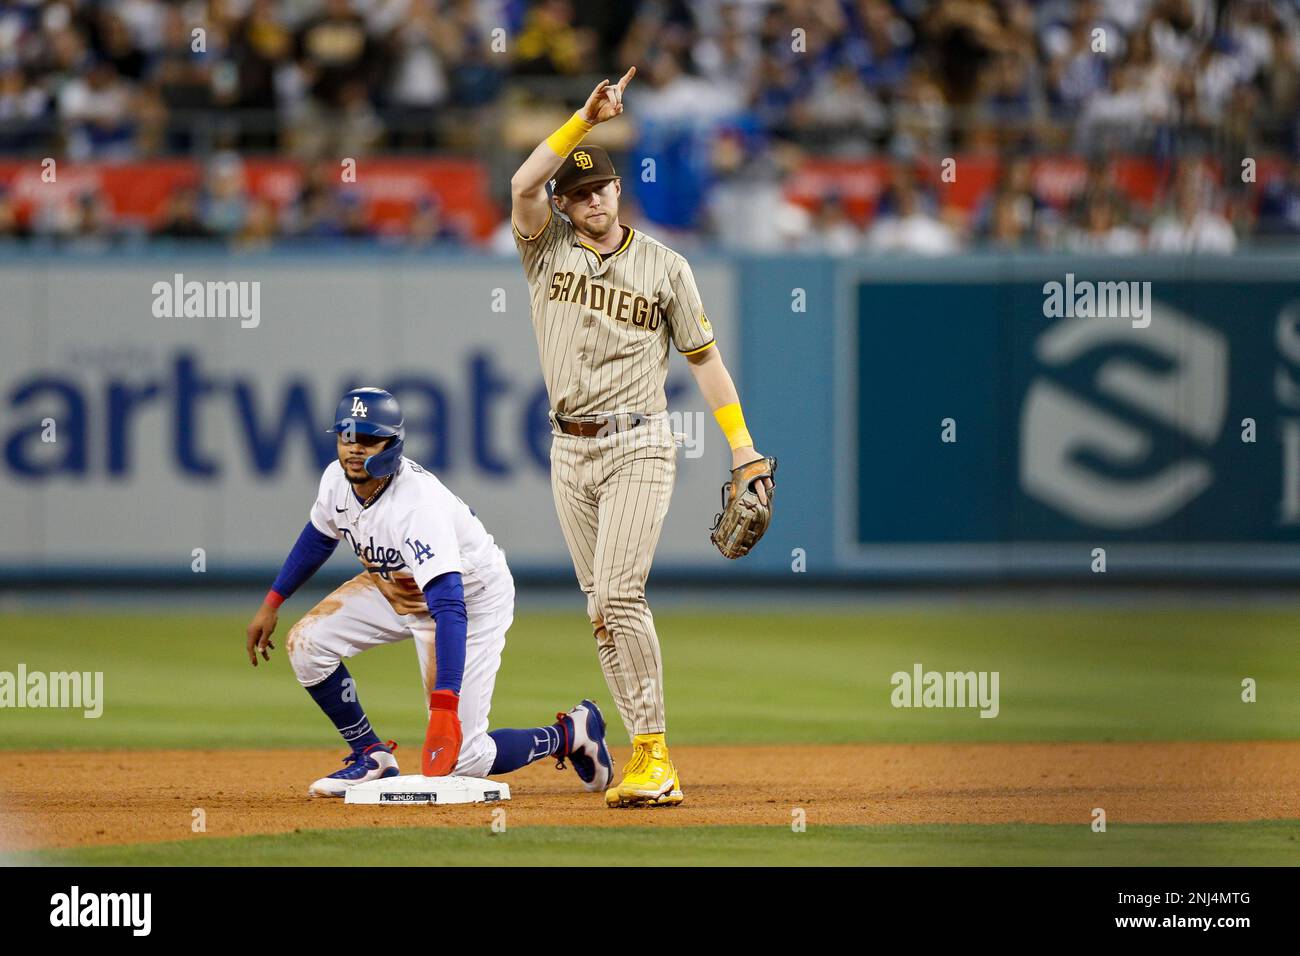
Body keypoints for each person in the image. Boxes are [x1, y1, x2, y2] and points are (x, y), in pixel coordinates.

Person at [509, 68, 773, 807]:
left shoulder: (666, 266)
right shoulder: (545, 249)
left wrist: (743, 447)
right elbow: (522, 184)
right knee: (599, 609)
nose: (591, 201)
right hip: (569, 447)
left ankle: (657, 756)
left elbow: (706, 363)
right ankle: (642, 756)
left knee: (621, 594)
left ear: (619, 191)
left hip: (639, 443)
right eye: (578, 194)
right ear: (564, 205)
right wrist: (584, 121)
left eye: (601, 189)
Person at [243, 387, 613, 797]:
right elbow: (318, 537)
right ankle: (372, 755)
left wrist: (444, 707)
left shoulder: (416, 507)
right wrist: (272, 603)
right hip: (396, 587)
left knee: (465, 759)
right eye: (346, 436)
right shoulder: (336, 480)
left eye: (367, 439)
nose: (352, 448)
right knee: (306, 644)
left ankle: (571, 733)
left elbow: (450, 608)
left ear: (392, 444)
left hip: (471, 598)